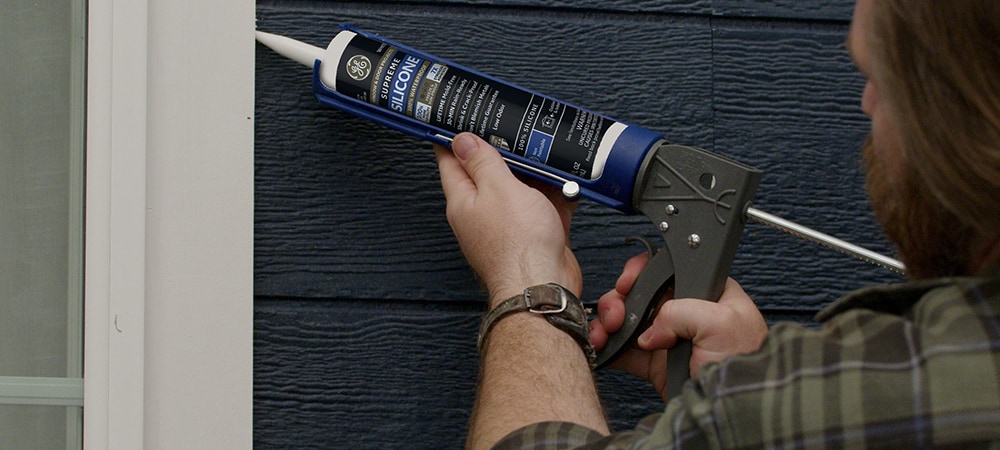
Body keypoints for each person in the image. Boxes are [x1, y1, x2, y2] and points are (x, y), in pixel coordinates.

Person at [433, 0, 1000, 448]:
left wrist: (527, 281)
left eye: (878, 76)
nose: (867, 104)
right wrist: (752, 395)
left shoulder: (914, 380)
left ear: (959, 113)